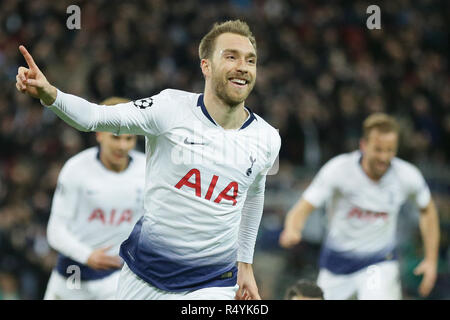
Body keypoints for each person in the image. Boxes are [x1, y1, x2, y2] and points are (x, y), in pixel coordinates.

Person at [16, 20, 281, 300]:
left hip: (212, 282)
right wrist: (50, 95)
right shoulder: (169, 109)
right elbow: (95, 117)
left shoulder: (267, 138)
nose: (243, 66)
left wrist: (245, 263)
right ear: (206, 66)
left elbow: (254, 193)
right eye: (231, 56)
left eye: (250, 60)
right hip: (144, 276)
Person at [279, 113, 440, 300]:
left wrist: (431, 260)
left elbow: (427, 211)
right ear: (363, 145)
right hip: (336, 266)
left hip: (378, 263)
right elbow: (304, 206)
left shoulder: (406, 175)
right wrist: (292, 229)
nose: (384, 157)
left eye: (390, 150)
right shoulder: (339, 170)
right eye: (378, 149)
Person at [43, 97, 146, 299]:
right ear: (99, 133)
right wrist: (87, 256)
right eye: (115, 137)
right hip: (72, 275)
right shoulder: (76, 169)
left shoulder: (148, 170)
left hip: (116, 277)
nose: (123, 146)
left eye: (129, 139)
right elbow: (55, 230)